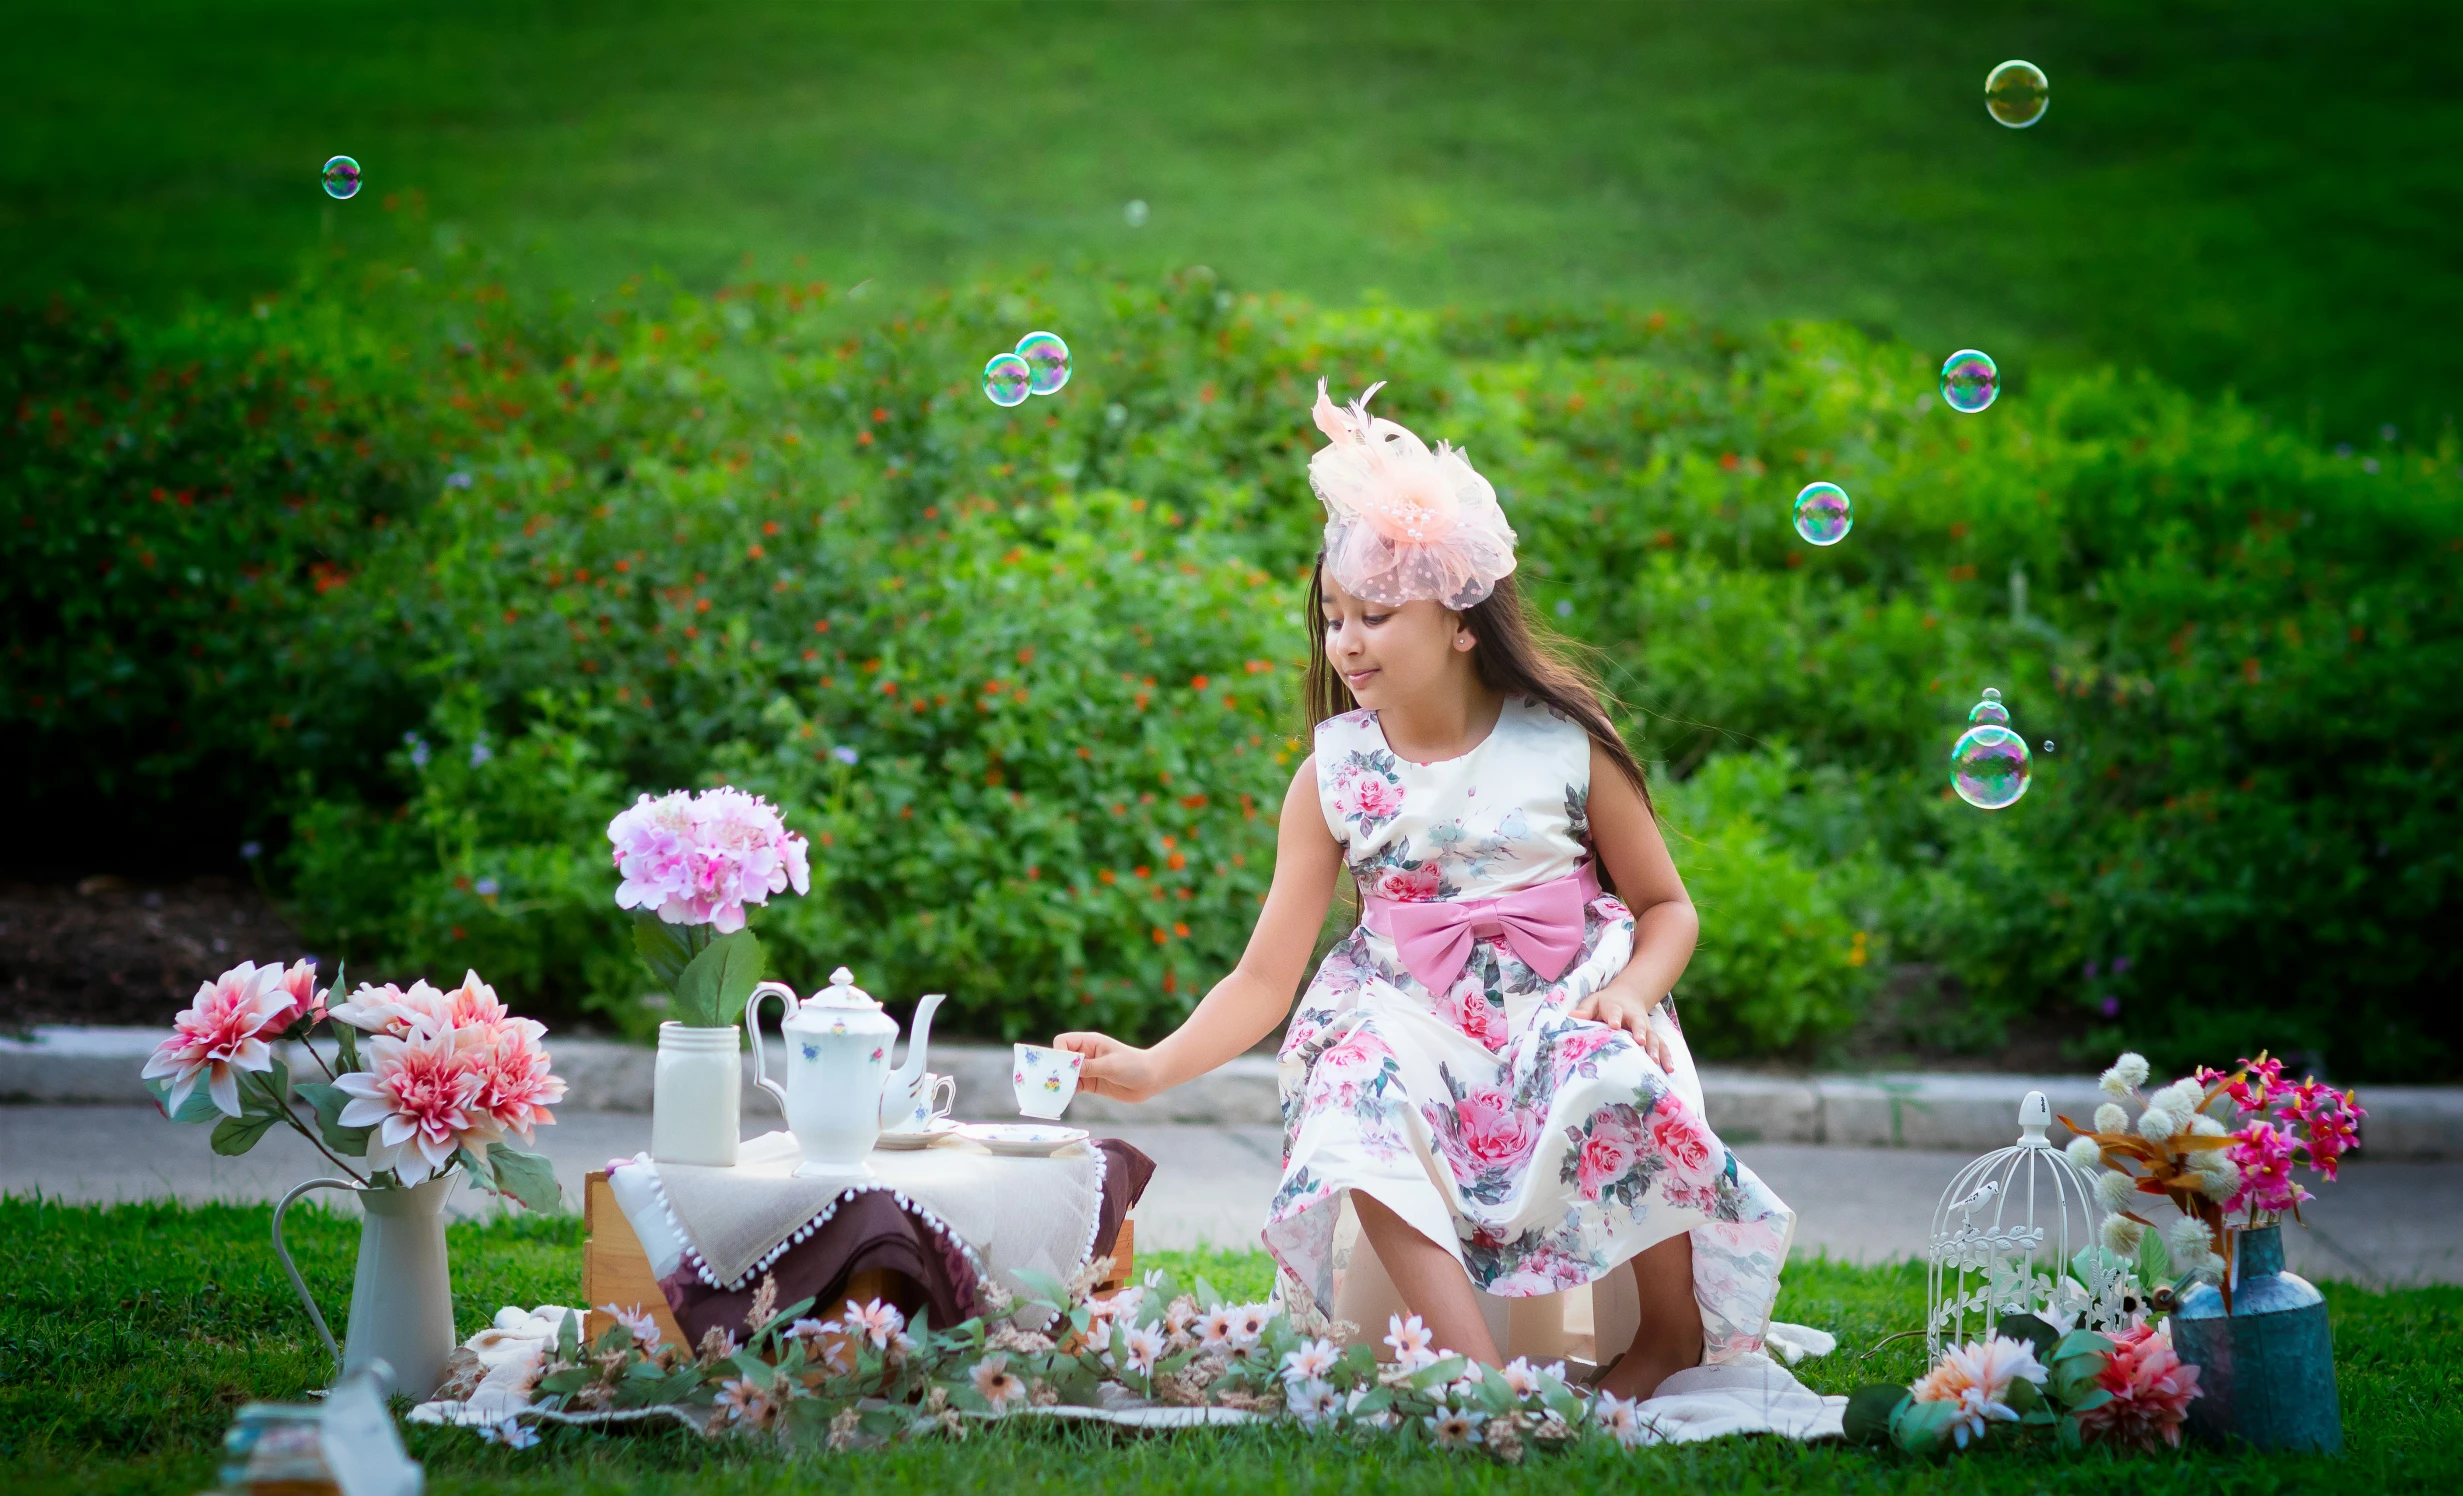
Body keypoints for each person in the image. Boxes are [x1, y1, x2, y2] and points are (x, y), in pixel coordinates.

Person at [1055, 380, 1794, 1400]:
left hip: (1562, 1000)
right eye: (1332, 618)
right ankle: (1484, 1382)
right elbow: (1266, 975)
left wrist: (1631, 990)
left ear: (1459, 621)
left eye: (1374, 615)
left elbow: (1668, 906)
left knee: (1612, 1066)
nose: (1344, 642)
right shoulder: (1335, 771)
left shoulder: (1564, 745)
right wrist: (1152, 1065)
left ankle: (1668, 1336)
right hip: (1409, 1010)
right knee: (1355, 1089)